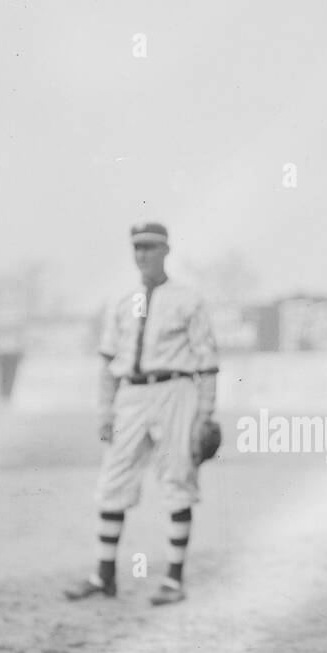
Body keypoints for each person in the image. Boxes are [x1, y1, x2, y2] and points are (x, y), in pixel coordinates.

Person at [65, 221, 219, 606]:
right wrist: (104, 411)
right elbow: (107, 362)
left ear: (166, 250)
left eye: (150, 246)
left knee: (176, 479)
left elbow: (207, 362)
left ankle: (173, 579)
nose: (143, 254)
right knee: (113, 481)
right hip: (131, 395)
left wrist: (204, 414)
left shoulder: (188, 298)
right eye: (137, 247)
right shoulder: (120, 300)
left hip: (174, 391)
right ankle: (103, 576)